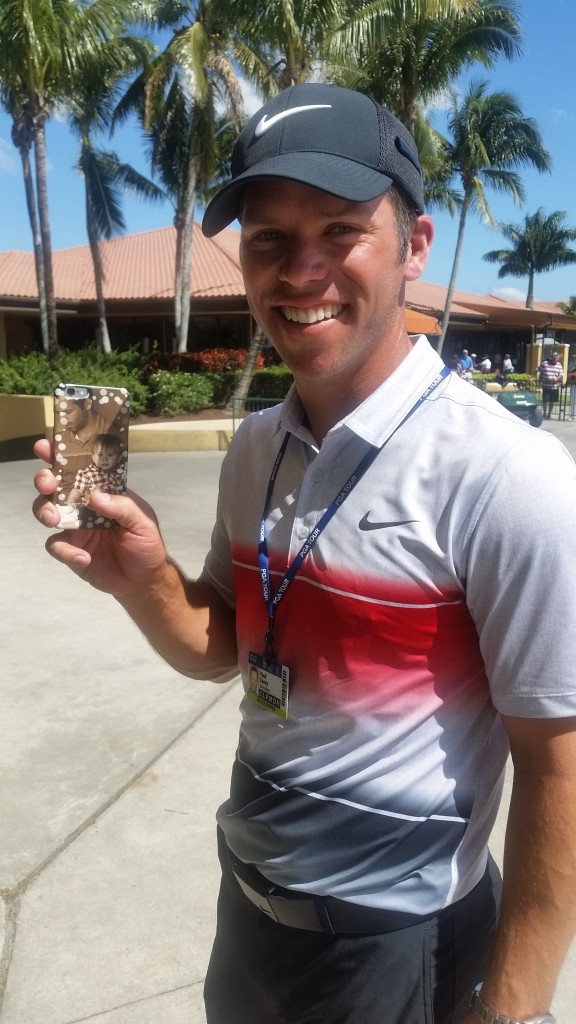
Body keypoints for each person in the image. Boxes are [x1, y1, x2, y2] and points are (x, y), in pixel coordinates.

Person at [32, 83, 576, 1024]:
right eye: (269, 240)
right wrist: (146, 579)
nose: (300, 271)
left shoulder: (506, 475)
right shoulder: (257, 448)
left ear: (413, 247)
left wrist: (509, 1006)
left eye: (338, 230)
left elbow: (561, 762)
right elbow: (226, 648)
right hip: (249, 920)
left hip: (398, 951)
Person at [537, 351, 564, 419]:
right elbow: (538, 369)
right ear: (551, 358)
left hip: (555, 386)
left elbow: (561, 374)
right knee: (545, 400)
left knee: (552, 401)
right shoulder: (545, 363)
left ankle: (549, 414)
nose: (557, 360)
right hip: (546, 386)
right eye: (555, 359)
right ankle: (544, 413)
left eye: (557, 359)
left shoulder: (559, 365)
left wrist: (557, 378)